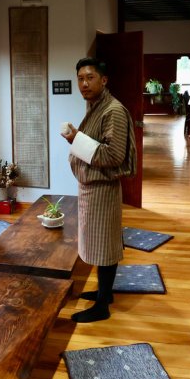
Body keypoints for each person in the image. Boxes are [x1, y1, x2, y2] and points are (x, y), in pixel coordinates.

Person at [61, 57, 137, 322]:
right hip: (92, 186)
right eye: (80, 78)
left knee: (104, 244)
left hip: (102, 188)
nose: (84, 83)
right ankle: (105, 292)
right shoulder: (96, 106)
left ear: (103, 80)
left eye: (90, 77)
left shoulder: (112, 110)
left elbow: (114, 155)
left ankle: (102, 305)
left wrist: (75, 139)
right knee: (97, 241)